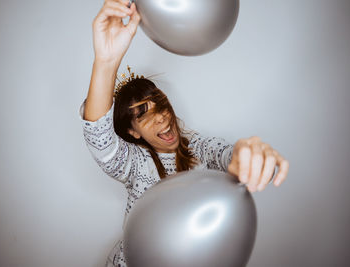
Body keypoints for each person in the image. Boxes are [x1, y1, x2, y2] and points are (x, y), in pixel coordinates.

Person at [80, 0, 289, 266]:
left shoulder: (199, 148)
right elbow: (98, 135)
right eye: (143, 115)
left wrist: (247, 158)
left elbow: (224, 154)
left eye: (161, 105)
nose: (161, 117)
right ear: (133, 132)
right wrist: (106, 61)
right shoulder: (135, 163)